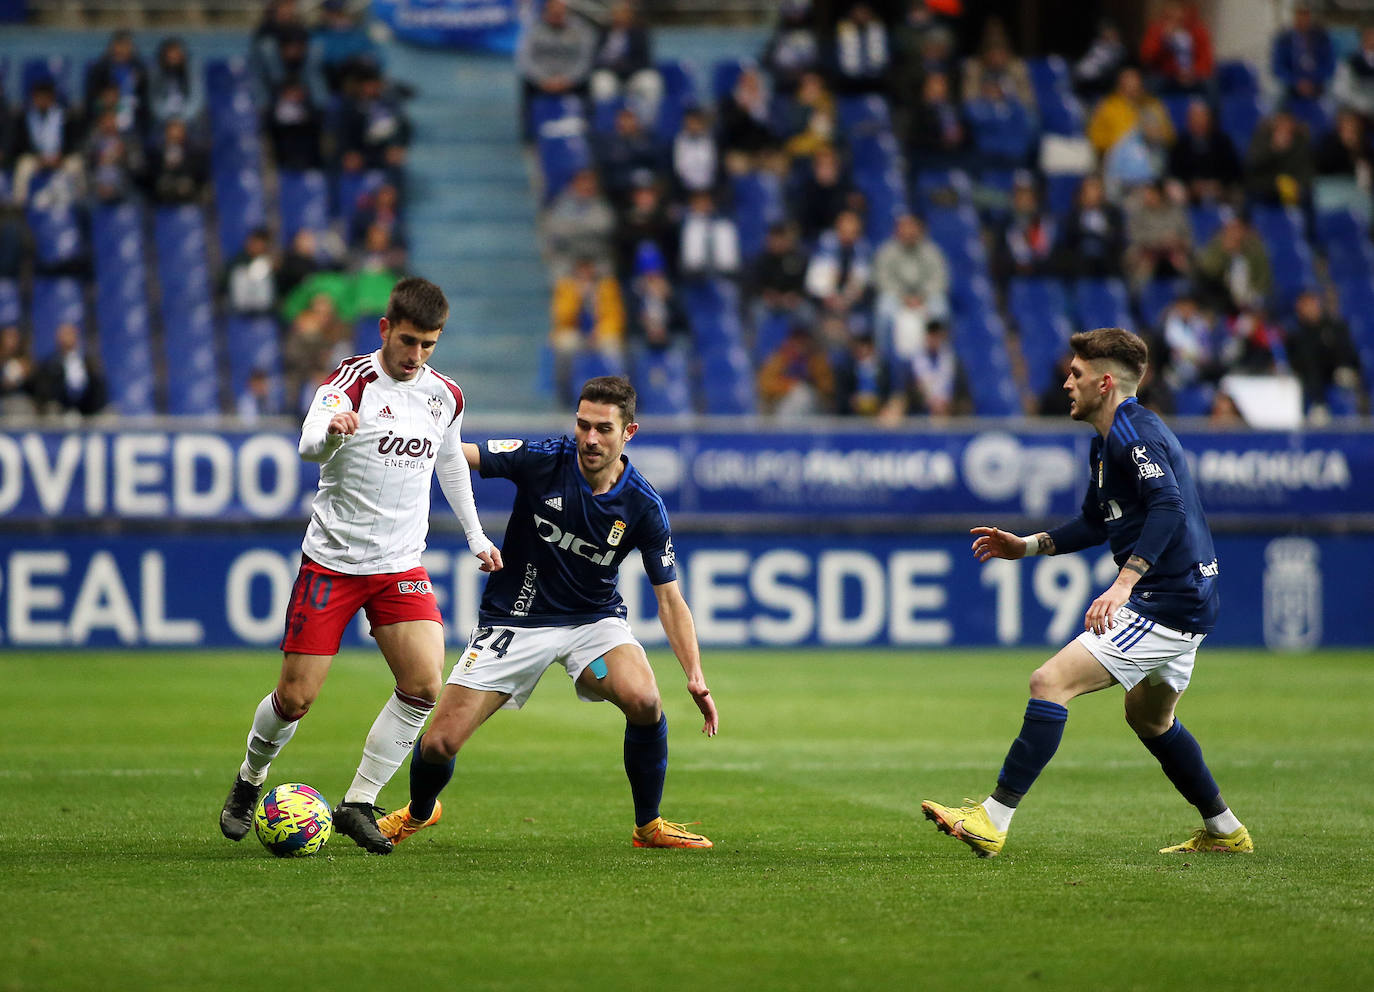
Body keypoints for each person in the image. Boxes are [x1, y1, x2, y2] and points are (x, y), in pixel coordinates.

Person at [922, 327, 1252, 858]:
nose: (1065, 383)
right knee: (1149, 718)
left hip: (1167, 600)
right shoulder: (1107, 443)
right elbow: (1096, 522)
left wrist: (1124, 583)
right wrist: (1026, 546)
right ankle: (1225, 830)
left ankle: (991, 819)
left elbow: (1169, 505)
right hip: (1187, 597)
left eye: (1075, 374)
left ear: (1103, 382)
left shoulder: (1133, 433)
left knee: (1048, 682)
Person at [218, 277, 502, 855]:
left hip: (399, 564)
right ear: (384, 330)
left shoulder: (444, 395)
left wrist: (476, 536)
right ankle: (250, 780)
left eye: (428, 344)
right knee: (295, 699)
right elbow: (306, 446)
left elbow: (450, 463)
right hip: (333, 563)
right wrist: (330, 431)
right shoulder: (351, 381)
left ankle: (359, 801)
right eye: (406, 341)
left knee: (424, 685)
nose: (415, 355)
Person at [375, 375, 718, 850]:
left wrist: (695, 675)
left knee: (644, 701)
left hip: (593, 624)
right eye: (582, 425)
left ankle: (648, 826)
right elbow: (460, 455)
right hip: (513, 621)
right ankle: (419, 811)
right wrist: (404, 438)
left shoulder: (643, 505)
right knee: (439, 744)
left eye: (603, 428)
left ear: (628, 433)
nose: (590, 439)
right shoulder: (544, 458)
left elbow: (670, 599)